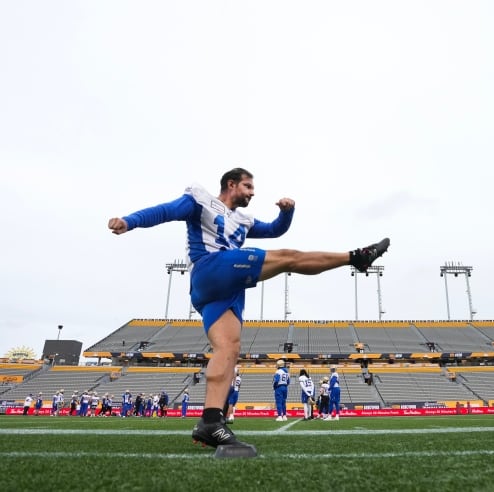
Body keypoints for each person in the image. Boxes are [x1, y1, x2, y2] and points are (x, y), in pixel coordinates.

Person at [109, 167, 389, 451]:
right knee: (289, 258)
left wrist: (286, 213)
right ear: (231, 184)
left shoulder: (242, 219)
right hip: (210, 267)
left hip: (224, 289)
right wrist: (129, 222)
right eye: (248, 187)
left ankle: (210, 422)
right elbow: (165, 211)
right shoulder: (200, 200)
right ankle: (356, 258)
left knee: (228, 349)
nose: (253, 193)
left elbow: (274, 230)